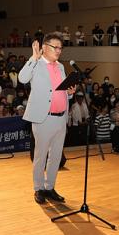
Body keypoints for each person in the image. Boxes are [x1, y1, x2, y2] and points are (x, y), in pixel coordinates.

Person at [18, 33, 75, 205]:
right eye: (55, 47)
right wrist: (33, 58)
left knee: (56, 156)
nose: (59, 51)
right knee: (40, 156)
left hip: (60, 118)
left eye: (60, 48)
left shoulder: (61, 67)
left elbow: (60, 91)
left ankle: (50, 187)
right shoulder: (36, 63)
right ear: (44, 47)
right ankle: (38, 188)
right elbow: (22, 78)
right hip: (44, 118)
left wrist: (69, 94)